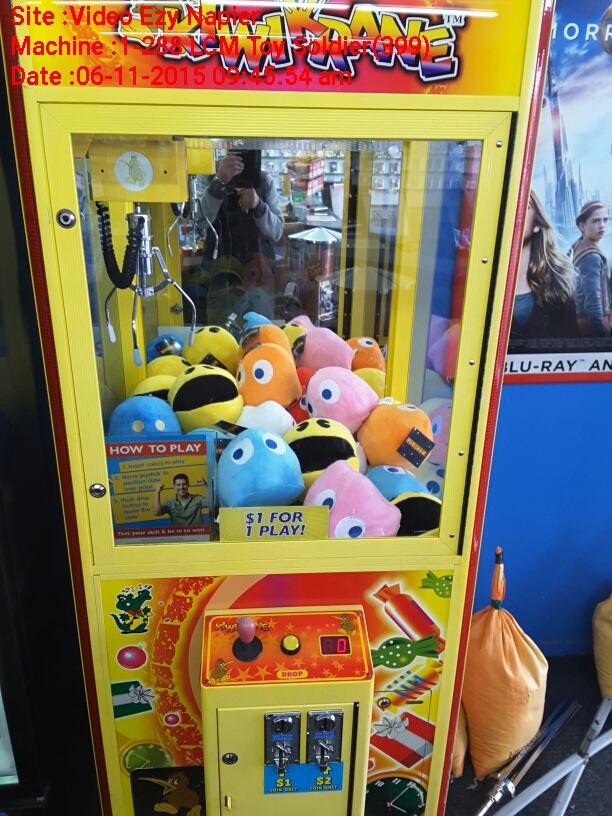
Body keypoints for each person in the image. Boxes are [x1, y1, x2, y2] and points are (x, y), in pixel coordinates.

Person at [196, 152, 284, 319]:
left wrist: (258, 205)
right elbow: (200, 222)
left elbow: (277, 232)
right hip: (219, 272)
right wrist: (219, 182)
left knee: (261, 330)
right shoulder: (208, 177)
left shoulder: (264, 181)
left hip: (258, 272)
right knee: (219, 331)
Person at [511, 190, 580, 340]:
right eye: (508, 205)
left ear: (536, 223)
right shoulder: (479, 280)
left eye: (524, 206)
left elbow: (571, 342)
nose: (514, 212)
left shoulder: (558, 280)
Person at [571, 200, 610, 337]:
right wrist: (601, 336)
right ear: (582, 226)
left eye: (605, 220)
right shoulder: (591, 257)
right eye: (596, 221)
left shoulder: (579, 245)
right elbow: (593, 302)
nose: (602, 225)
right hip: (592, 323)